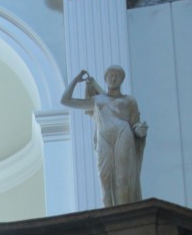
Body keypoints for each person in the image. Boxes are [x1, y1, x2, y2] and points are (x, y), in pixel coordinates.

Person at [61, 66, 147, 207]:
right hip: (104, 140)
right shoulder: (96, 100)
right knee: (104, 179)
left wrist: (140, 130)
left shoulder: (129, 100)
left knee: (122, 178)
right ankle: (109, 215)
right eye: (110, 75)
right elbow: (65, 100)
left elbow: (135, 124)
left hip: (123, 135)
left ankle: (125, 216)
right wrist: (76, 80)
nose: (113, 78)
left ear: (122, 80)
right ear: (105, 79)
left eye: (117, 76)